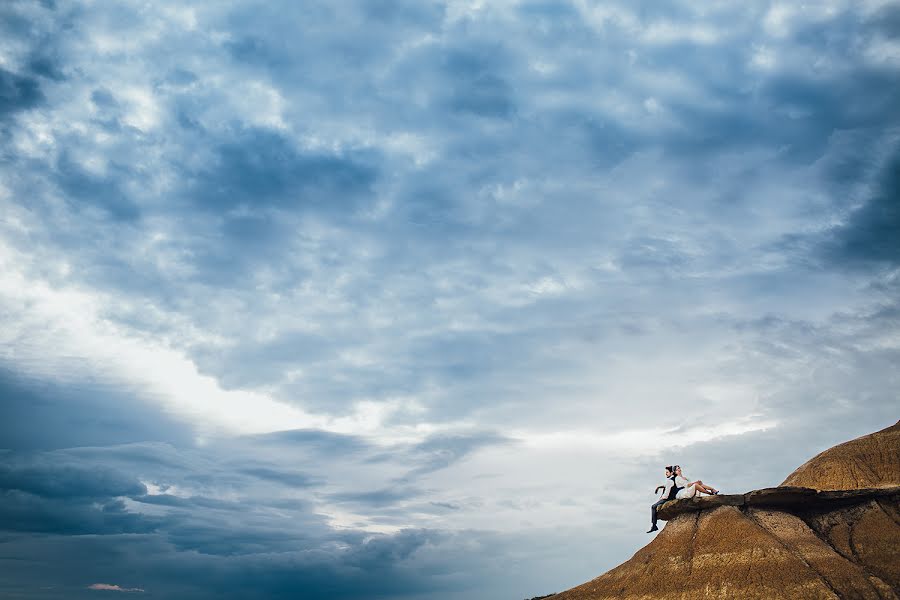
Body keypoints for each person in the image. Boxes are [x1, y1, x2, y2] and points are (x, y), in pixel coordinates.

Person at [647, 465, 677, 533]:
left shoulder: (670, 481)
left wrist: (660, 499)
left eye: (667, 472)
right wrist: (659, 487)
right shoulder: (674, 479)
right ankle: (654, 525)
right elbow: (666, 486)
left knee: (653, 506)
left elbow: (666, 495)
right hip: (672, 497)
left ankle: (654, 526)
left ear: (671, 473)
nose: (666, 473)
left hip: (668, 498)